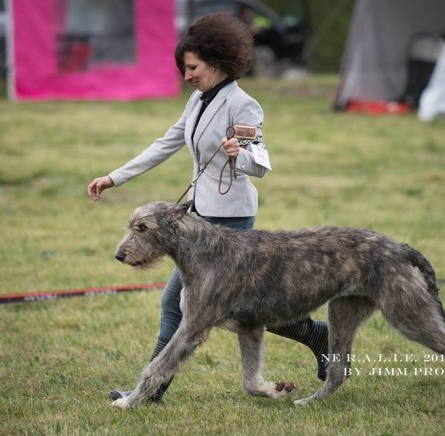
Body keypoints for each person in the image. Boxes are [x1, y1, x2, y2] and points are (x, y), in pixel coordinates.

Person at [87, 12, 328, 403]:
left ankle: (149, 391)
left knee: (185, 305)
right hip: (198, 218)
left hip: (232, 221)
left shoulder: (244, 105)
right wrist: (115, 177)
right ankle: (313, 334)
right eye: (185, 68)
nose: (187, 76)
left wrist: (241, 155)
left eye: (192, 67)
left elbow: (261, 163)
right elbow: (166, 142)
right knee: (235, 306)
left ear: (216, 63)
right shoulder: (197, 100)